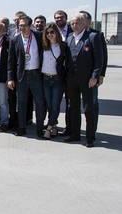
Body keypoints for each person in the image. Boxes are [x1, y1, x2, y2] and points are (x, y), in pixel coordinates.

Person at [64, 14, 104, 148]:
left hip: (87, 80)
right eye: (72, 24)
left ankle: (90, 137)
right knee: (73, 107)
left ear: (84, 23)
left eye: (77, 23)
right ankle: (75, 134)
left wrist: (95, 76)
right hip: (71, 79)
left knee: (88, 108)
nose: (74, 26)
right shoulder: (69, 38)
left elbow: (99, 59)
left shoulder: (92, 37)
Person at [7, 15, 46, 137]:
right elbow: (11, 61)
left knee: (39, 102)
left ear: (30, 26)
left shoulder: (39, 37)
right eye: (20, 25)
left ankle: (39, 128)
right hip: (21, 76)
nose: (22, 28)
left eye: (24, 25)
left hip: (36, 74)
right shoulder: (14, 40)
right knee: (21, 102)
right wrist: (10, 78)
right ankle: (21, 127)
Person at [40, 23, 68, 139]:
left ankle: (49, 128)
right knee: (50, 105)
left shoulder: (63, 46)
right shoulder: (44, 46)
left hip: (57, 79)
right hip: (46, 79)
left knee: (56, 105)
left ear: (56, 32)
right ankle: (54, 126)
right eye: (47, 33)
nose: (50, 35)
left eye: (52, 32)